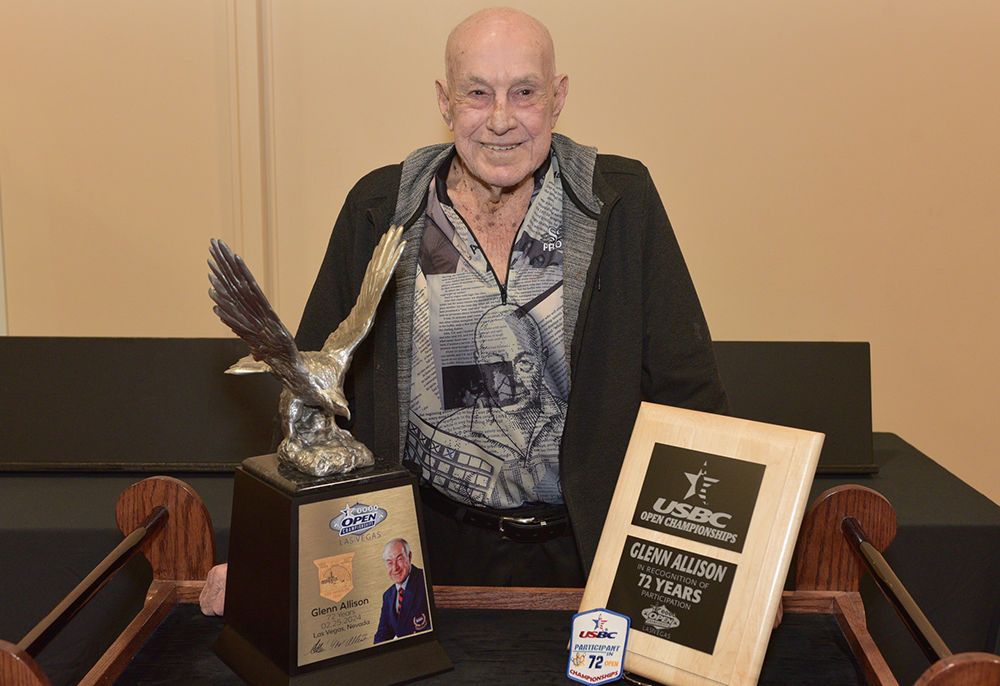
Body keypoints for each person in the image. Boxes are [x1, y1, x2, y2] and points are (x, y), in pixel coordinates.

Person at [201, 7, 727, 615]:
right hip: (422, 550)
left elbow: (691, 397)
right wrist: (270, 556)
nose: (501, 119)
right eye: (478, 93)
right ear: (445, 102)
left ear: (557, 98)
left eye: (523, 92)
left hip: (594, 551)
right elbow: (312, 399)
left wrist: (720, 570)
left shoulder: (620, 203)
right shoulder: (380, 209)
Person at [374, 538, 430, 643]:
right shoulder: (387, 596)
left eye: (399, 559)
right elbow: (382, 633)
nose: (395, 568)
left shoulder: (425, 580)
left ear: (409, 557)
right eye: (389, 563)